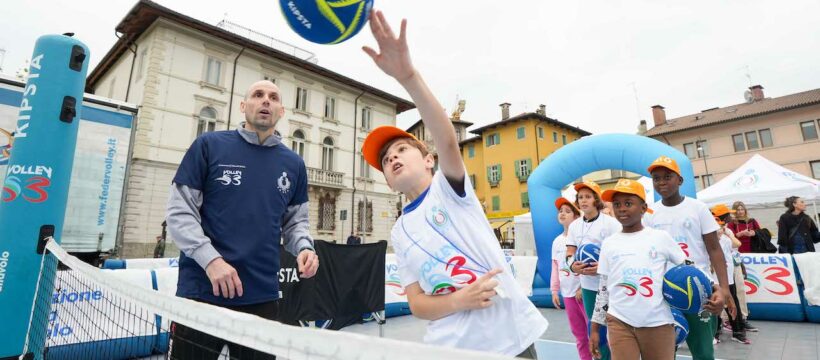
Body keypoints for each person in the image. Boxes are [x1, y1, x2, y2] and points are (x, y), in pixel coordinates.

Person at [360, 10, 547, 357]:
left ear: (429, 159)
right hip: (450, 347)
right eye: (386, 161)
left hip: (507, 339)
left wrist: (408, 76)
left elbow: (447, 139)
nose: (393, 159)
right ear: (387, 181)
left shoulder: (449, 190)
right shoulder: (400, 231)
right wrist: (459, 300)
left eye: (402, 149)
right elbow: (416, 303)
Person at [165, 79, 320, 359]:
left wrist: (305, 247)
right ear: (242, 106)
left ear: (281, 111)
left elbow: (295, 222)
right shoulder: (208, 145)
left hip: (261, 296)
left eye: (273, 97)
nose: (265, 101)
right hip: (203, 292)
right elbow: (180, 212)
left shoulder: (293, 164)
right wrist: (211, 261)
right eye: (258, 95)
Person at [644, 155, 733, 360]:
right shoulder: (650, 214)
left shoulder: (697, 208)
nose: (662, 182)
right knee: (664, 352)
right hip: (664, 292)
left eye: (668, 176)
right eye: (656, 178)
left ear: (680, 180)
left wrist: (725, 288)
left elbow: (714, 249)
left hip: (700, 291)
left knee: (702, 352)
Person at [589, 179, 686, 360]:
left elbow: (687, 268)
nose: (622, 209)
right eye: (617, 204)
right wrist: (595, 328)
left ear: (643, 208)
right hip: (619, 321)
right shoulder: (609, 243)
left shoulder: (660, 238)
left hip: (658, 321)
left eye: (628, 203)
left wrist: (712, 287)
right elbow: (603, 289)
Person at [565, 180, 622, 360]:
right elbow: (569, 253)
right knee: (596, 330)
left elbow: (620, 253)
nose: (583, 200)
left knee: (616, 328)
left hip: (611, 285)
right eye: (580, 197)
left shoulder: (611, 224)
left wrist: (603, 267)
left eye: (588, 197)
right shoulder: (574, 226)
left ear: (596, 199)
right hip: (589, 286)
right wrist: (573, 265)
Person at [551, 197, 591, 360]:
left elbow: (588, 265)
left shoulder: (581, 238)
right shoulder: (557, 241)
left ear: (576, 216)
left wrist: (582, 287)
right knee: (579, 335)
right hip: (567, 295)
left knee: (594, 333)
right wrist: (554, 290)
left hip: (584, 293)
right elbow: (555, 267)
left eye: (568, 211)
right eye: (561, 211)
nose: (563, 214)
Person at [710, 204, 750, 345]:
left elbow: (736, 245)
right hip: (715, 275)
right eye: (728, 214)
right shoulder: (711, 232)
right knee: (717, 303)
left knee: (733, 302)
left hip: (728, 273)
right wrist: (718, 231)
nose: (731, 216)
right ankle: (715, 333)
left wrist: (725, 231)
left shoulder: (726, 232)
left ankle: (737, 331)